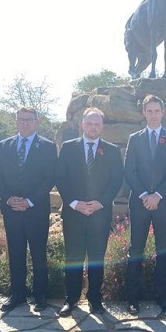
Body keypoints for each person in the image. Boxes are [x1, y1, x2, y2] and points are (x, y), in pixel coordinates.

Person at [56, 108, 123, 316]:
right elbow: (60, 178)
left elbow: (117, 181)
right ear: (82, 125)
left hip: (99, 214)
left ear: (102, 127)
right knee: (73, 258)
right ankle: (71, 298)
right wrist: (74, 203)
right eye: (89, 123)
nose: (93, 127)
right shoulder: (68, 148)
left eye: (97, 124)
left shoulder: (111, 150)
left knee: (96, 258)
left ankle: (95, 299)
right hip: (74, 212)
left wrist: (100, 202)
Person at [0, 107, 57, 313]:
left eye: (29, 120)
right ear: (16, 121)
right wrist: (9, 198)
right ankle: (17, 294)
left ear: (37, 122)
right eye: (21, 119)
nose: (25, 123)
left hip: (35, 209)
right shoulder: (5, 145)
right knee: (16, 252)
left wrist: (29, 201)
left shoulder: (47, 147)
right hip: (12, 209)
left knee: (38, 253)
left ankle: (40, 295)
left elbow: (50, 178)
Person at [123, 94, 166, 314]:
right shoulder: (134, 139)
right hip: (139, 204)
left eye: (157, 111)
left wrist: (157, 195)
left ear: (163, 112)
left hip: (163, 205)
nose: (154, 115)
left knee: (163, 251)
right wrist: (144, 196)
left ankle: (162, 296)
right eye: (150, 111)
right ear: (144, 113)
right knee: (135, 251)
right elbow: (129, 171)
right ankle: (133, 299)